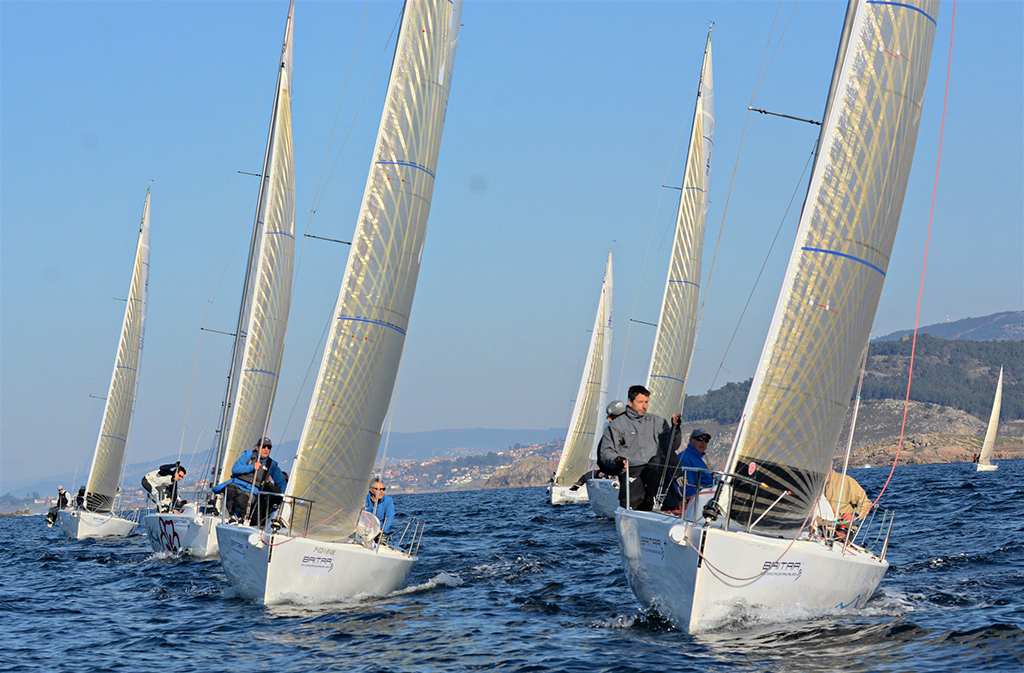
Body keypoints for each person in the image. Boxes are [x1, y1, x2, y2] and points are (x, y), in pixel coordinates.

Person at [597, 384, 682, 511]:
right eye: (640, 402)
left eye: (646, 402)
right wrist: (617, 460)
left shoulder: (658, 422)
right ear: (630, 402)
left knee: (658, 461)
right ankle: (641, 506)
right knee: (633, 505)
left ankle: (656, 503)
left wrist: (675, 430)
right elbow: (606, 452)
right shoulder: (616, 426)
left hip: (655, 470)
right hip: (632, 470)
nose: (644, 406)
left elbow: (671, 447)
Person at [224, 437, 287, 526]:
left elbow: (281, 482)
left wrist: (283, 498)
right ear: (257, 447)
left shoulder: (271, 465)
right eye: (263, 446)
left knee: (241, 499)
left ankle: (242, 518)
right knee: (230, 488)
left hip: (252, 493)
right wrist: (252, 467)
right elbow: (235, 469)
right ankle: (231, 516)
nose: (266, 449)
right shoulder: (248, 455)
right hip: (239, 486)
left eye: (269, 447)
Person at [663, 429, 716, 512]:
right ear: (691, 441)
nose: (703, 443)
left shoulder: (698, 459)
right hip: (697, 503)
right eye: (700, 439)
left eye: (706, 440)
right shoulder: (685, 458)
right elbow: (685, 487)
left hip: (708, 497)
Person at [821, 468, 873, 538]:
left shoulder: (846, 481)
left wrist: (855, 515)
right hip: (816, 529)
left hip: (841, 530)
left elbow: (866, 503)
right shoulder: (811, 483)